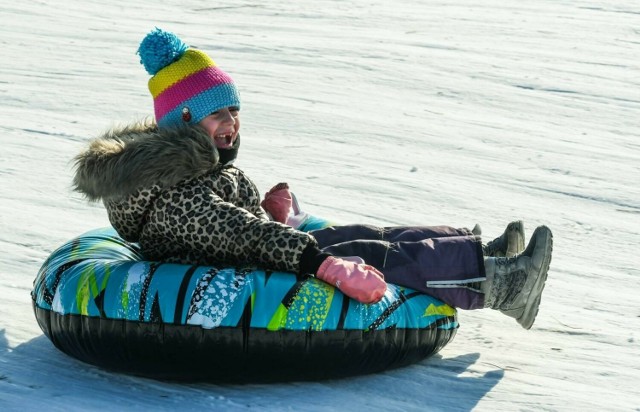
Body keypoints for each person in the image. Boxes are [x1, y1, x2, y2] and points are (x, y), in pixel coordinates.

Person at [72, 28, 553, 330]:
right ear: (181, 120)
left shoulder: (192, 165)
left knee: (365, 235)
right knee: (367, 255)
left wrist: (276, 214)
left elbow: (237, 221)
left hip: (249, 251)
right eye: (217, 113)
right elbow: (234, 232)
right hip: (240, 272)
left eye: (234, 110)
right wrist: (318, 262)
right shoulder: (173, 193)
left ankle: (482, 254)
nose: (232, 123)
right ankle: (501, 286)